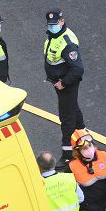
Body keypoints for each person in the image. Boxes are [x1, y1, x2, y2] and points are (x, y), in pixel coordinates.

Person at [43, 8, 86, 161]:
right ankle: (83, 134)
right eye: (50, 24)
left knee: (66, 118)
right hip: (59, 83)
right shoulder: (55, 35)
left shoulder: (67, 42)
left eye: (55, 23)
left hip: (66, 85)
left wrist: (64, 83)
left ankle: (67, 156)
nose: (51, 26)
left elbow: (78, 69)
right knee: (73, 107)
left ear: (61, 21)